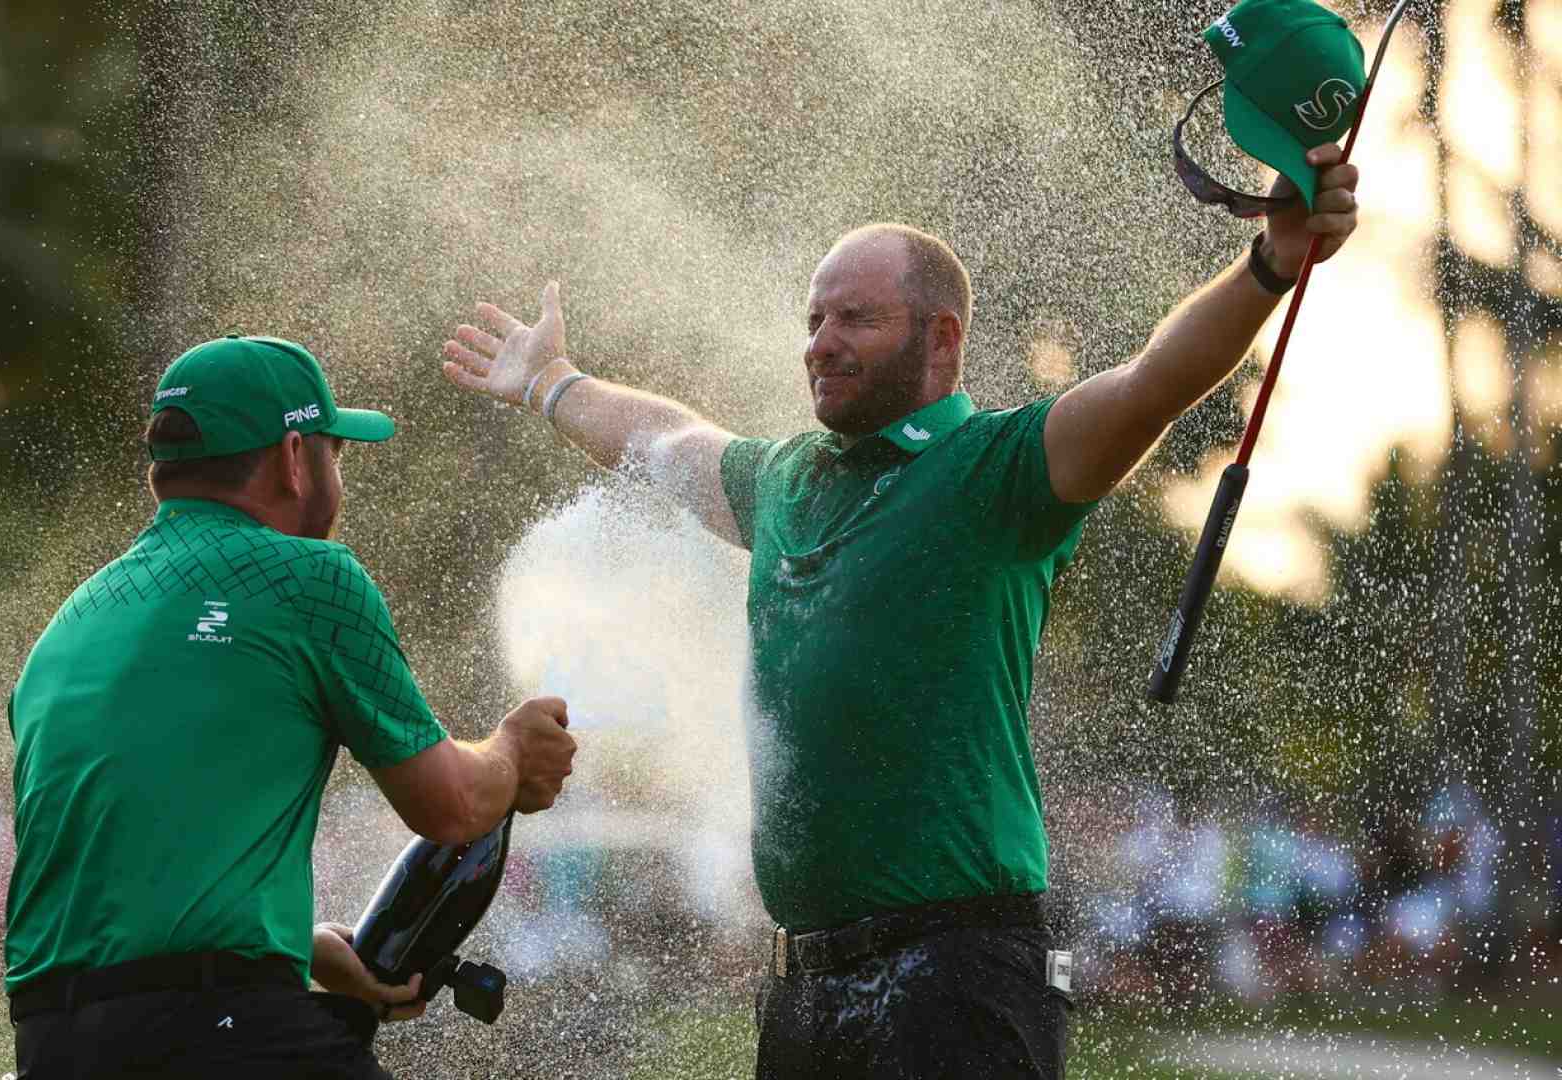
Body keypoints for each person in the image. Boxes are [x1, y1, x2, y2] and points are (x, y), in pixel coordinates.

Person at [440, 139, 1360, 1074]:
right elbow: (662, 437)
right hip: (806, 977)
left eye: (858, 318)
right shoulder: (786, 479)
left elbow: (1152, 380)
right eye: (814, 318)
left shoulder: (1000, 470)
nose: (822, 341)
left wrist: (1270, 263)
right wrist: (551, 384)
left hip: (960, 965)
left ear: (942, 337)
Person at [4, 335, 578, 1079]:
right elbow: (454, 807)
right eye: (338, 455)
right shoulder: (308, 578)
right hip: (223, 1033)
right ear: (295, 457)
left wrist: (297, 944)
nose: (338, 478)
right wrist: (512, 751)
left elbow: (123, 841)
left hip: (55, 1044)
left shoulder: (74, 619)